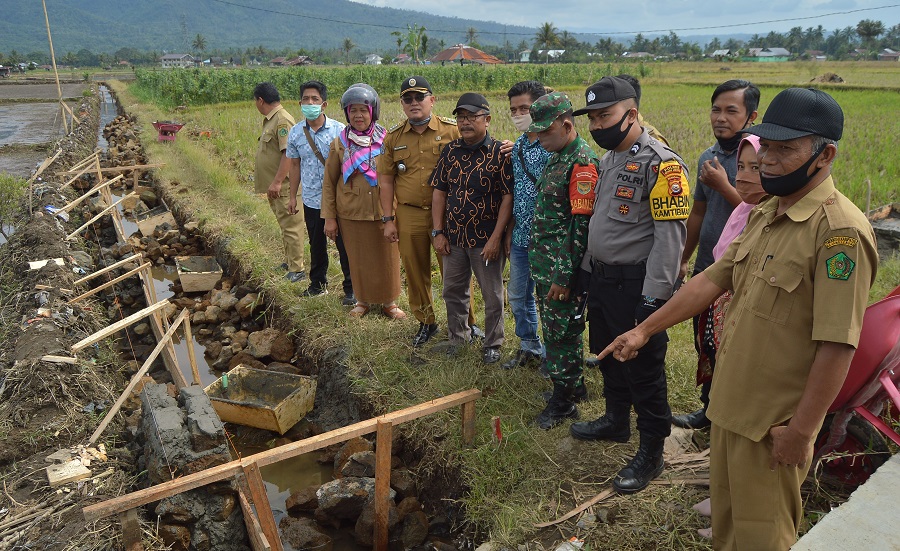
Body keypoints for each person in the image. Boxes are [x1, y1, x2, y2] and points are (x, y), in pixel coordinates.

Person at [598, 87, 877, 549]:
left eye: (784, 149)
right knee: (727, 533)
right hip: (728, 409)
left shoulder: (839, 234)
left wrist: (802, 433)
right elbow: (711, 280)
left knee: (761, 539)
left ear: (824, 155)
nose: (766, 160)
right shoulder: (767, 212)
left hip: (771, 428)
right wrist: (644, 329)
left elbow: (838, 344)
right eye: (765, 145)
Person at [568, 76, 689, 495]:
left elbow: (669, 239)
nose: (598, 125)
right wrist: (585, 272)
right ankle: (615, 421)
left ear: (632, 113)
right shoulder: (610, 159)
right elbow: (600, 222)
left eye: (606, 116)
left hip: (637, 285)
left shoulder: (662, 163)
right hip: (602, 279)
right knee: (606, 355)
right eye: (593, 118)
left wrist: (653, 300)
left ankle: (651, 450)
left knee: (644, 369)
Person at [674, 80, 760, 430]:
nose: (720, 117)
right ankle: (708, 409)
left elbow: (761, 215)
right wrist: (683, 257)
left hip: (742, 268)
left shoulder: (758, 157)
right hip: (707, 266)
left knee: (734, 344)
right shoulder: (708, 158)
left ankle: (732, 413)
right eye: (716, 109)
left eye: (731, 111)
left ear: (752, 116)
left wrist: (725, 184)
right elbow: (697, 213)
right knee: (705, 339)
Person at [693, 133, 764, 540]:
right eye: (743, 167)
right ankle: (723, 494)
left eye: (757, 167)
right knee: (721, 399)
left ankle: (736, 508)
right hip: (723, 312)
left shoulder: (765, 217)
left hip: (746, 327)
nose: (749, 176)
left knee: (741, 415)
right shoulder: (745, 214)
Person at [378, 76, 478, 347]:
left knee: (455, 270)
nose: (414, 103)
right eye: (407, 99)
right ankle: (426, 322)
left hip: (449, 214)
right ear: (401, 104)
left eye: (419, 97)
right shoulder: (394, 138)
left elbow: (479, 151)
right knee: (415, 270)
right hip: (409, 214)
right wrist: (388, 219)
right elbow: (386, 180)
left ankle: (468, 322)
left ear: (432, 100)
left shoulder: (451, 131)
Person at [526, 92, 600, 429]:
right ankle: (574, 386)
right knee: (559, 327)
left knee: (560, 332)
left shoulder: (581, 163)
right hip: (546, 263)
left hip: (560, 267)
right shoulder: (557, 156)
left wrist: (563, 275)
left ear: (566, 125)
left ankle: (563, 402)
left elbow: (579, 225)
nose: (539, 137)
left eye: (545, 131)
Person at [430, 93, 512, 363]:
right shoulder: (450, 151)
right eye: (461, 117)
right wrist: (438, 232)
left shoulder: (500, 153)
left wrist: (496, 238)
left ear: (487, 119)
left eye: (472, 117)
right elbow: (440, 192)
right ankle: (458, 337)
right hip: (453, 239)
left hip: (485, 240)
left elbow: (507, 198)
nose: (465, 122)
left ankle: (493, 344)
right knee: (452, 290)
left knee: (492, 295)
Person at [321, 84, 404, 320]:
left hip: (384, 211)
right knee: (356, 258)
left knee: (388, 257)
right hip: (351, 212)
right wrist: (329, 217)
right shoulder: (339, 144)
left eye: (363, 110)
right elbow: (329, 182)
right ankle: (362, 300)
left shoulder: (387, 141)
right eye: (353, 110)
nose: (358, 115)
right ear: (347, 113)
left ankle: (389, 302)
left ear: (373, 112)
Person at [286, 80, 354, 304]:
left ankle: (351, 289)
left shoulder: (340, 130)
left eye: (315, 99)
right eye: (306, 99)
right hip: (312, 199)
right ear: (300, 103)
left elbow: (350, 165)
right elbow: (294, 166)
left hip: (338, 200)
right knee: (316, 243)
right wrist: (292, 196)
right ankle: (317, 284)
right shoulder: (295, 133)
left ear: (324, 104)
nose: (310, 103)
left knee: (344, 245)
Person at [502, 80, 550, 371]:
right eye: (513, 109)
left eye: (524, 108)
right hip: (521, 237)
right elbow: (516, 190)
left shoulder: (554, 144)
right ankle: (529, 345)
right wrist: (509, 231)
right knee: (519, 295)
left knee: (549, 301)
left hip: (548, 239)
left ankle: (554, 355)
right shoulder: (518, 145)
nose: (518, 114)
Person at [253, 82, 303, 283]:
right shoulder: (271, 120)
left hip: (283, 187)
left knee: (292, 228)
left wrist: (277, 182)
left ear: (260, 100)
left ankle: (297, 269)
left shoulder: (282, 120)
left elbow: (288, 155)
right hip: (275, 187)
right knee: (284, 226)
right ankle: (290, 262)